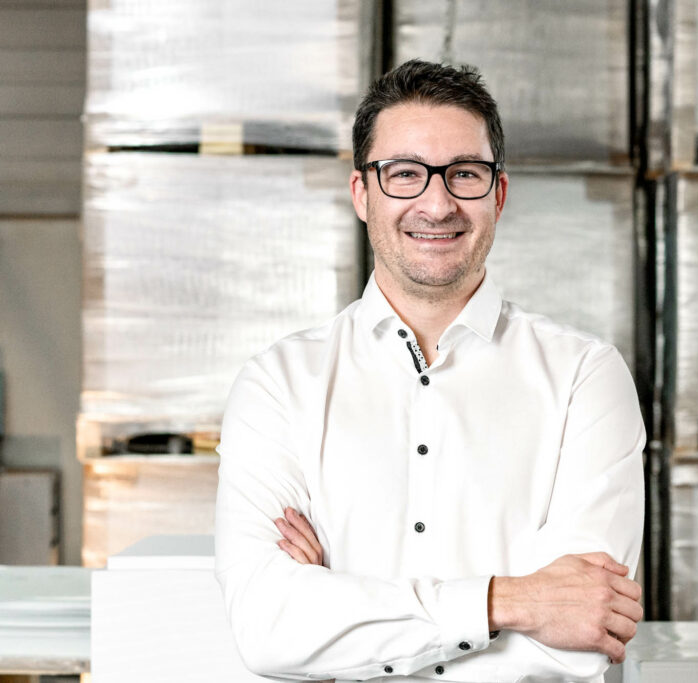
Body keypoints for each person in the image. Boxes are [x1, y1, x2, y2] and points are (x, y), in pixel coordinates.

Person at [215, 59, 645, 682]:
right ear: (362, 193)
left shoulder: (585, 377)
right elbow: (269, 629)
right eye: (405, 174)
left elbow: (578, 636)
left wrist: (342, 602)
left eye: (464, 174)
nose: (437, 203)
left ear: (498, 193)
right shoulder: (280, 385)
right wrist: (511, 600)